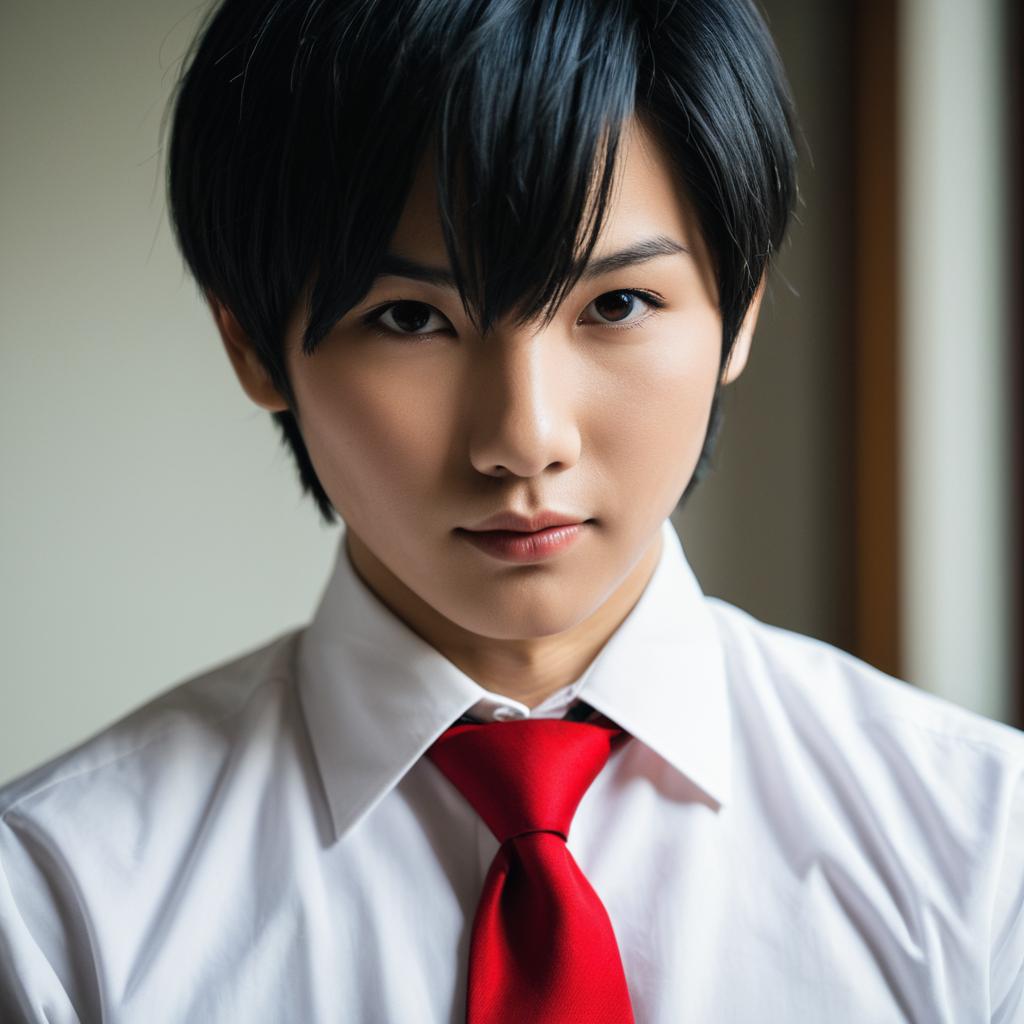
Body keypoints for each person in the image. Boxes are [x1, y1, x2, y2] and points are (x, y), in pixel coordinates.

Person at [1, 0, 1022, 1020]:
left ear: (740, 304)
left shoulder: (980, 850)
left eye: (615, 305)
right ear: (252, 345)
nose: (524, 437)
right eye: (411, 318)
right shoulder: (58, 908)